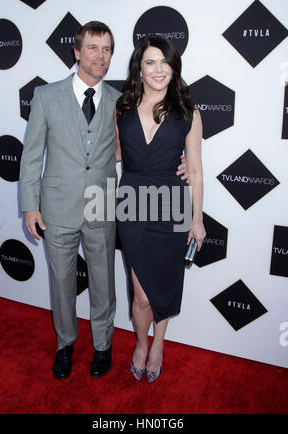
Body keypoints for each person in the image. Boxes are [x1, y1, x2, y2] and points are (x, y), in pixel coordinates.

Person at [20, 22, 188, 381]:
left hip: (105, 205)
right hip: (57, 209)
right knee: (61, 283)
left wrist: (181, 160)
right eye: (93, 48)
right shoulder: (46, 96)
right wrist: (30, 205)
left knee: (104, 285)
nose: (100, 56)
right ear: (77, 51)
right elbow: (32, 156)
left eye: (107, 49)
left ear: (114, 56)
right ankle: (65, 345)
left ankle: (103, 346)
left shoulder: (121, 101)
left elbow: (129, 150)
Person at [115, 35, 206, 383]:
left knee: (164, 286)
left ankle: (158, 345)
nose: (158, 69)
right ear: (139, 66)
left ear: (173, 68)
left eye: (165, 62)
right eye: (151, 62)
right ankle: (141, 342)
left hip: (172, 204)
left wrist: (196, 219)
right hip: (133, 203)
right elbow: (119, 153)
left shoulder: (188, 112)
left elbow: (195, 169)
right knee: (141, 293)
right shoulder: (122, 107)